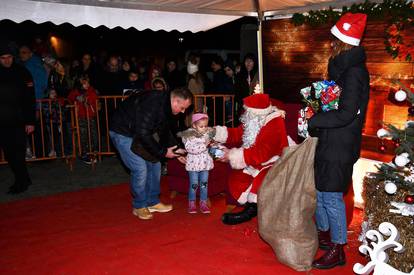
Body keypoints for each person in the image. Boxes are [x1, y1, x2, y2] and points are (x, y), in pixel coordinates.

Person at [307, 13, 369, 269]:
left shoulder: (354, 72)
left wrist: (316, 120)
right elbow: (336, 105)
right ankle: (324, 235)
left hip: (341, 145)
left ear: (343, 41)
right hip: (331, 140)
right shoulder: (343, 69)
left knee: (331, 196)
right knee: (322, 192)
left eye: (334, 39)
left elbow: (346, 113)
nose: (331, 43)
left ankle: (338, 248)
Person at [109, 88, 193, 220]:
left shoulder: (166, 105)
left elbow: (164, 129)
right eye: (182, 108)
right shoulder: (152, 103)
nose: (182, 112)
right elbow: (143, 134)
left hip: (138, 132)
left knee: (155, 164)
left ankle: (152, 201)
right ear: (175, 101)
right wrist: (164, 152)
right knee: (140, 168)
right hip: (122, 131)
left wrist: (176, 150)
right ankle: (139, 206)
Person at [213, 92, 289, 225]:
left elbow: (262, 153)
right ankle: (250, 204)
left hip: (276, 161)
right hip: (256, 161)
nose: (245, 114)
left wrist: (231, 155)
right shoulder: (254, 120)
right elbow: (238, 133)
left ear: (257, 113)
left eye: (247, 112)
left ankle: (249, 211)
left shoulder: (275, 124)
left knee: (262, 180)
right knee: (238, 179)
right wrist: (216, 133)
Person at [0, 41, 36, 194]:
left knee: (18, 153)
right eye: (3, 58)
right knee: (9, 153)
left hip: (19, 120)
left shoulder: (22, 72)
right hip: (2, 121)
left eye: (9, 57)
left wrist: (30, 121)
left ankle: (21, 182)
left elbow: (30, 98)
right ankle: (24, 178)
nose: (7, 60)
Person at [178, 113, 214, 214]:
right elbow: (191, 149)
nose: (204, 128)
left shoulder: (207, 134)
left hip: (205, 165)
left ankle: (203, 203)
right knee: (194, 185)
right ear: (194, 125)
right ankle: (192, 202)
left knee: (204, 185)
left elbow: (210, 147)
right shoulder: (189, 136)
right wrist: (205, 145)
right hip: (193, 166)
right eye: (201, 126)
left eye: (205, 126)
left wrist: (213, 146)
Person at [68, 75, 98, 164]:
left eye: (87, 83)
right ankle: (84, 154)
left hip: (91, 116)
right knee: (83, 135)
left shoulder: (91, 90)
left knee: (93, 134)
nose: (87, 85)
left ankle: (94, 152)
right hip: (81, 117)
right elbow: (69, 98)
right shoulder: (75, 92)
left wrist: (86, 99)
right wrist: (76, 97)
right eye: (84, 83)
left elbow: (94, 98)